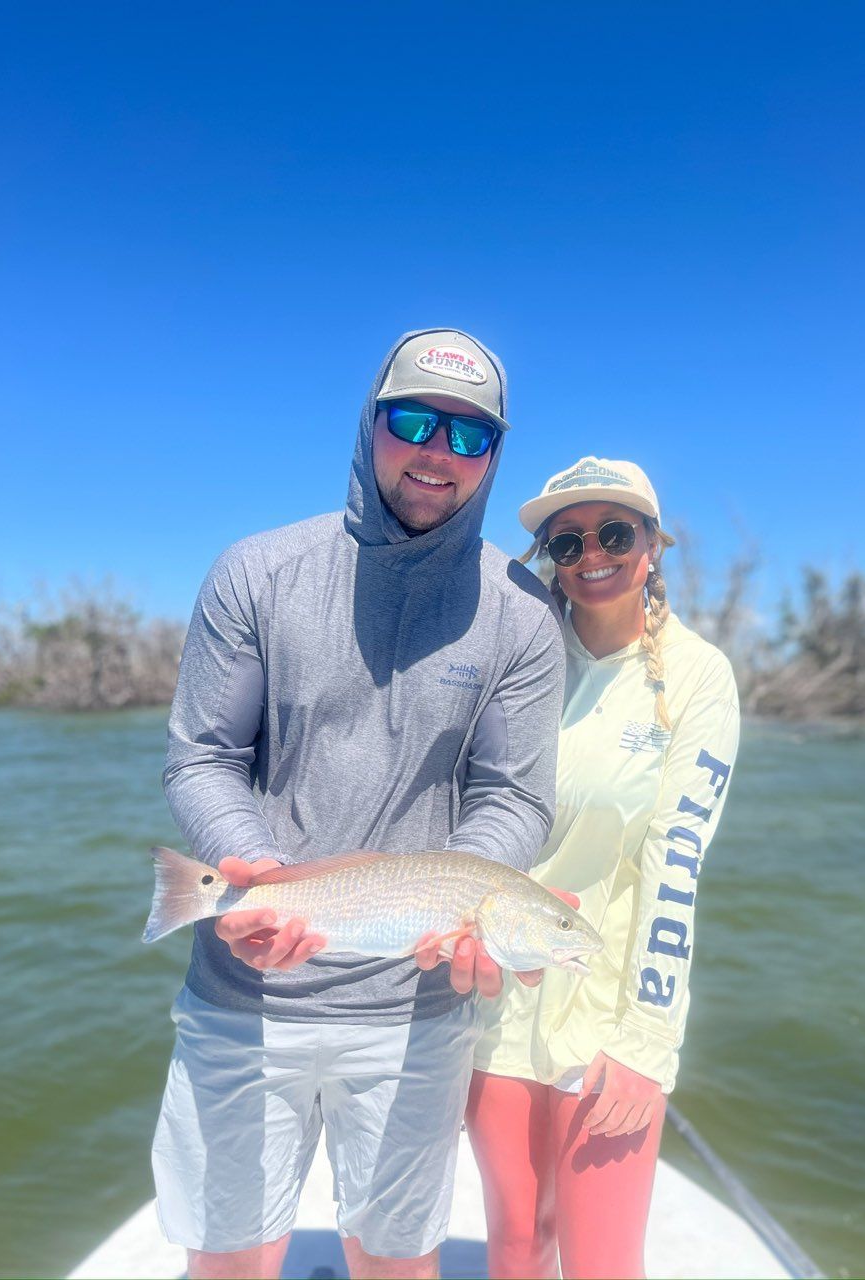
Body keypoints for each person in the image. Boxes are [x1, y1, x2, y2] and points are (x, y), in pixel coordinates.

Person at [150, 329, 565, 1280]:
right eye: (412, 421)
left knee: (395, 1262)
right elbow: (203, 757)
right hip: (243, 995)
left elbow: (514, 795)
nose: (436, 452)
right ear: (370, 422)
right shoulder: (256, 572)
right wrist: (253, 874)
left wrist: (472, 898)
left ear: (496, 456)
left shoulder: (523, 614)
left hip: (415, 1009)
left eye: (469, 435)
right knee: (227, 1262)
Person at [467, 456, 740, 1280]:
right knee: (516, 1244)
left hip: (610, 1008)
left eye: (614, 533)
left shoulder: (698, 679)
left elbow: (675, 868)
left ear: (653, 545)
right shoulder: (517, 664)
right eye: (566, 541)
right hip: (497, 1000)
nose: (591, 555)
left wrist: (646, 1042)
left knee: (600, 1262)